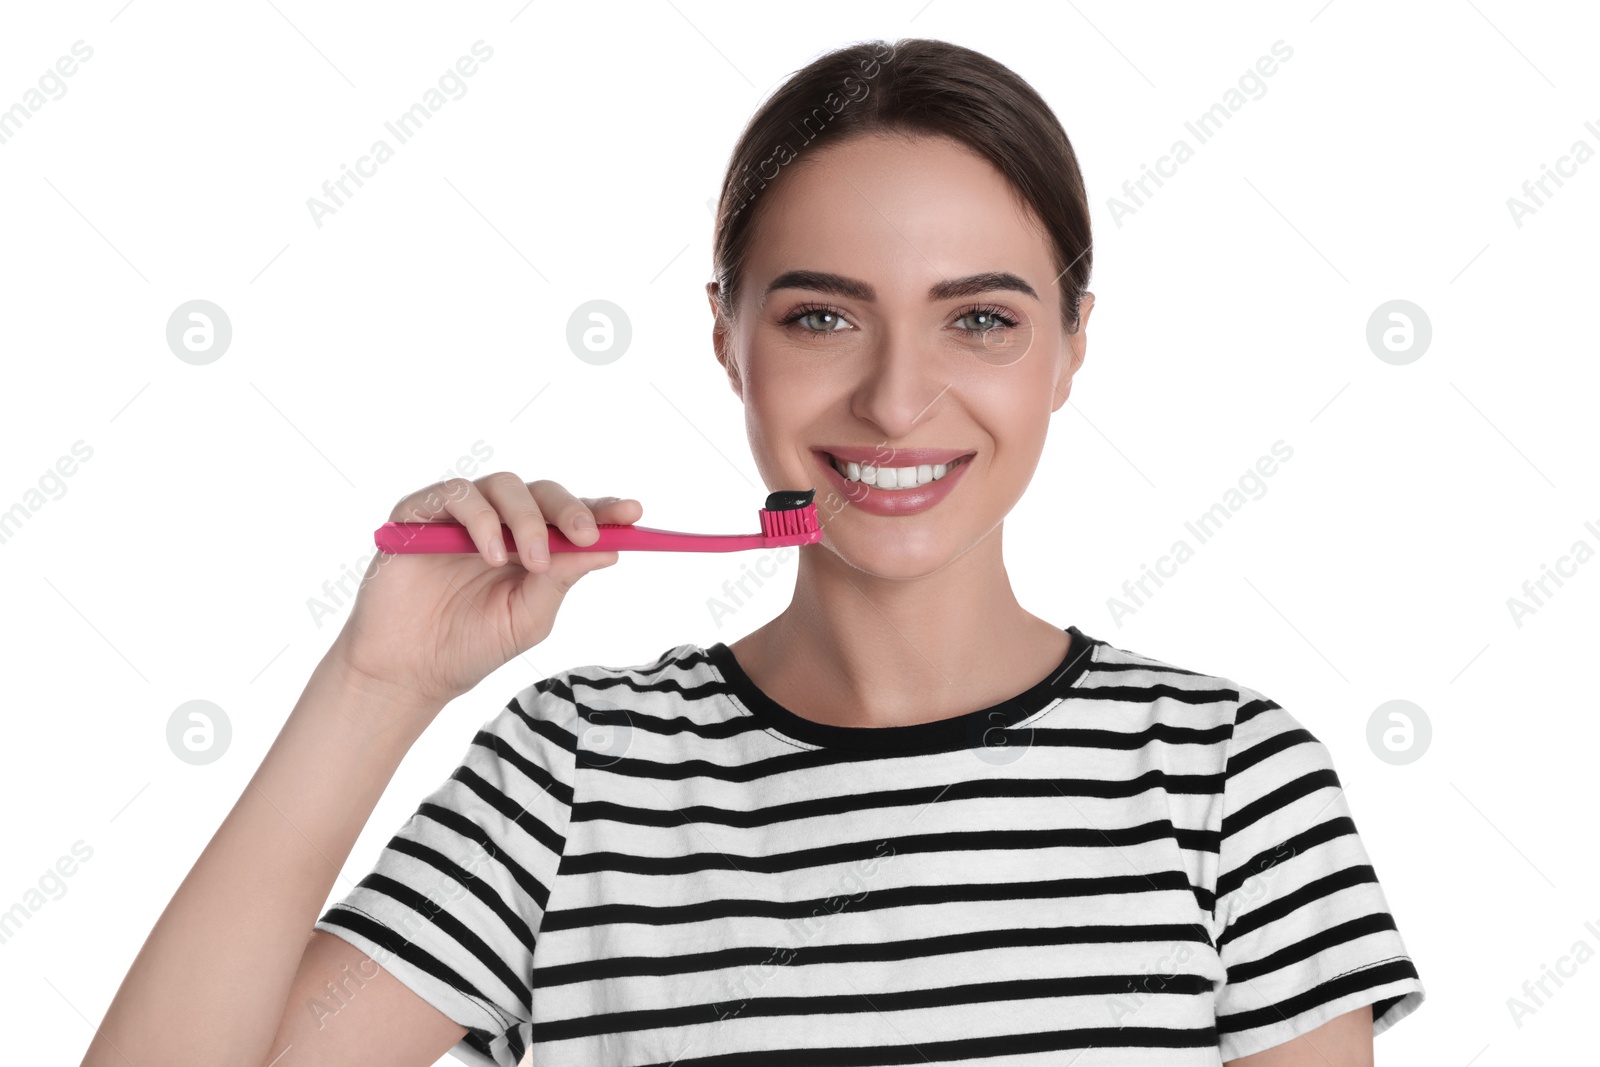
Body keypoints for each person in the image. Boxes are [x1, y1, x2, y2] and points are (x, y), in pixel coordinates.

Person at [82, 37, 1424, 1067]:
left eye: (982, 321)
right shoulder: (571, 778)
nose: (898, 402)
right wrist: (378, 686)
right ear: (725, 333)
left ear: (1073, 343)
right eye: (824, 319)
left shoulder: (1230, 781)